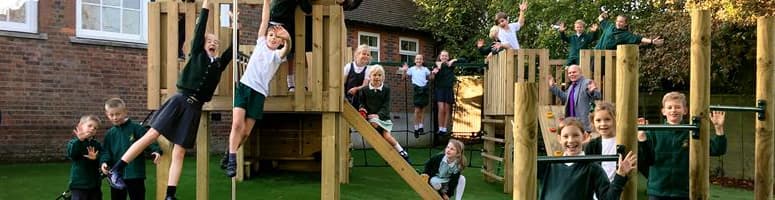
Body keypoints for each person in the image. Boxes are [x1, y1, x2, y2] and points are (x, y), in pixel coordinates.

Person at [106, 0, 235, 199]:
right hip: (179, 101)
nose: (213, 44)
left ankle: (170, 194)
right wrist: (207, 4)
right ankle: (117, 169)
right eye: (210, 41)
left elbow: (231, 52)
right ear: (202, 44)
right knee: (151, 136)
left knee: (180, 152)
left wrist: (236, 28)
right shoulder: (196, 54)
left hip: (194, 109)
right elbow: (201, 27)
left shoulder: (218, 64)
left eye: (216, 43)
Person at [225, 0, 292, 177]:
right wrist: (266, 2)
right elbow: (265, 20)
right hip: (245, 87)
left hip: (259, 94)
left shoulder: (277, 56)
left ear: (279, 42)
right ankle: (232, 160)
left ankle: (228, 152)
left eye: (277, 37)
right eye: (271, 35)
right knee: (237, 124)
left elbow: (288, 48)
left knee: (246, 132)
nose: (273, 38)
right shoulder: (261, 43)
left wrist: (287, 38)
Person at [637, 92, 727, 200]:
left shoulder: (691, 132)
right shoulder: (654, 132)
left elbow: (718, 149)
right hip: (658, 192)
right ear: (663, 111)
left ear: (685, 110)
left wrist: (718, 128)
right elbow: (646, 160)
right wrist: (642, 138)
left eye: (677, 107)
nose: (673, 110)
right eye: (669, 107)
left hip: (683, 192)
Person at [538, 117, 637, 200]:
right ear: (559, 139)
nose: (571, 140)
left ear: (584, 136)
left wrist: (620, 175)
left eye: (575, 135)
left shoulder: (592, 168)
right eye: (566, 136)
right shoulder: (549, 166)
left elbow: (608, 198)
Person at [100, 98, 162, 200]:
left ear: (125, 112)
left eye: (118, 114)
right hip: (116, 176)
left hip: (135, 173)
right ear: (107, 114)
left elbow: (149, 140)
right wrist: (104, 162)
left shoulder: (136, 128)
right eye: (111, 115)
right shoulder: (109, 134)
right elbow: (106, 152)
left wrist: (155, 150)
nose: (115, 118)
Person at [356, 65, 411, 163]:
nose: (377, 77)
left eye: (379, 75)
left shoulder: (386, 89)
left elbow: (386, 106)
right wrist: (362, 109)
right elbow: (362, 103)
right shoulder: (364, 90)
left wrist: (378, 115)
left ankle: (402, 152)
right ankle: (389, 153)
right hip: (371, 118)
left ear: (383, 77)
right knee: (374, 123)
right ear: (370, 76)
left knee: (387, 136)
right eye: (374, 75)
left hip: (383, 118)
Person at [268, 0, 311, 92]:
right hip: (281, 24)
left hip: (277, 21)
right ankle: (296, 84)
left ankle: (294, 84)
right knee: (291, 53)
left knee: (291, 53)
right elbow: (307, 8)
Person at [547, 65, 601, 132]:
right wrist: (553, 86)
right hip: (572, 124)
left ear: (580, 73)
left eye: (574, 72)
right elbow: (565, 97)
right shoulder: (571, 86)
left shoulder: (587, 82)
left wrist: (593, 91)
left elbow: (597, 96)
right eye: (569, 73)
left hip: (584, 126)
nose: (571, 74)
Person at [67, 115, 103, 200]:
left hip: (94, 185)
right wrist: (79, 140)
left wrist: (96, 158)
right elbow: (72, 155)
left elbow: (102, 159)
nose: (92, 129)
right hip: (79, 185)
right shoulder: (74, 142)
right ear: (81, 125)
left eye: (95, 128)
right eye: (89, 126)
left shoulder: (96, 144)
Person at [583, 101, 617, 181]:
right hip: (599, 189)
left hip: (619, 188)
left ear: (615, 120)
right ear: (593, 122)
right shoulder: (591, 146)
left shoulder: (623, 140)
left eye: (607, 119)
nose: (603, 124)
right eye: (598, 120)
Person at [594, 12, 664, 50]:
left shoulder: (625, 34)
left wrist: (651, 41)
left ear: (625, 23)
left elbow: (639, 38)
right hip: (595, 54)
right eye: (617, 21)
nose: (618, 23)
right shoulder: (609, 26)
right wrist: (602, 14)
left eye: (621, 22)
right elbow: (600, 18)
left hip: (608, 58)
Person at [400, 55, 431, 138]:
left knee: (423, 110)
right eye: (417, 59)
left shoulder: (425, 69)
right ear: (415, 60)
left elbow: (431, 76)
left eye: (420, 59)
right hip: (417, 89)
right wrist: (404, 70)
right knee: (417, 110)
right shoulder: (412, 69)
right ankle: (416, 128)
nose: (419, 60)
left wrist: (434, 72)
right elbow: (403, 78)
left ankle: (421, 126)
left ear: (422, 60)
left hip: (424, 89)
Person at [431, 50, 457, 136]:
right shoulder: (436, 64)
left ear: (448, 57)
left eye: (446, 56)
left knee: (447, 109)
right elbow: (431, 77)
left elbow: (464, 60)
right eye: (443, 56)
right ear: (440, 56)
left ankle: (444, 128)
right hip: (439, 89)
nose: (444, 57)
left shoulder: (451, 65)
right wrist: (435, 71)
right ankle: (440, 127)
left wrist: (454, 60)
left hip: (448, 89)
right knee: (441, 108)